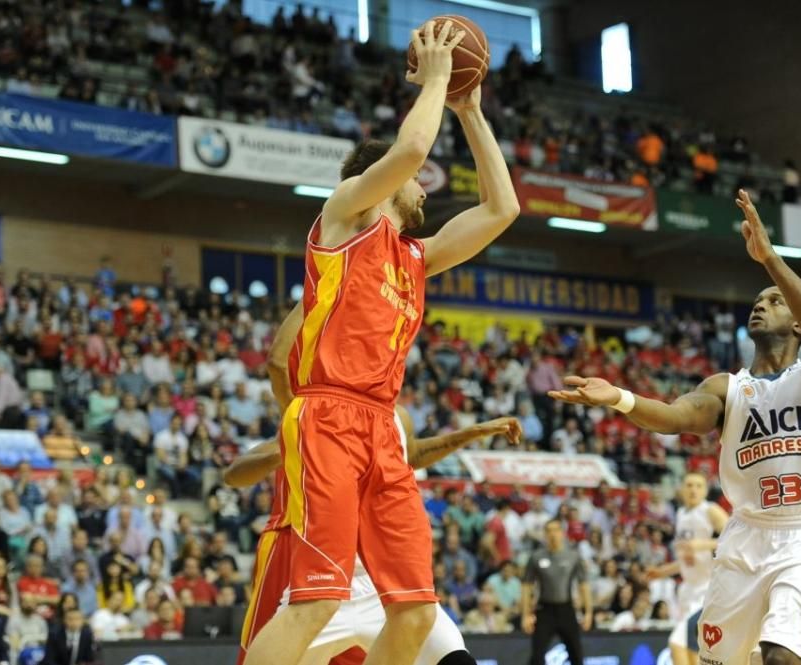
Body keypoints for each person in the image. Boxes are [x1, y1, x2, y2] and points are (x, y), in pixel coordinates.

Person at [244, 21, 519, 665]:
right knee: (314, 602)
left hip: (380, 427)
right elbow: (412, 148)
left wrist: (471, 111)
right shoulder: (342, 216)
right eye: (418, 180)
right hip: (328, 415)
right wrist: (438, 79)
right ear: (380, 178)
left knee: (417, 612)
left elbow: (500, 209)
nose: (426, 186)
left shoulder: (415, 258)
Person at [549, 190, 801, 665]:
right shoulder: (728, 388)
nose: (760, 304)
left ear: (799, 324)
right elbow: (676, 417)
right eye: (757, 300)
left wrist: (770, 260)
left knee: (782, 656)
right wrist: (622, 398)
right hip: (745, 537)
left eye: (774, 301)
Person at [234, 306, 520, 665]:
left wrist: (473, 432)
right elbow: (278, 362)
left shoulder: (393, 414)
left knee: (456, 659)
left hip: (381, 581)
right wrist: (323, 288)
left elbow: (411, 454)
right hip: (325, 579)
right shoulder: (316, 406)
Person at [646, 473, 728, 665]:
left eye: (699, 486)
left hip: (709, 589)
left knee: (678, 643)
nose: (693, 490)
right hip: (688, 592)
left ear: (705, 490)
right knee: (694, 650)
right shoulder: (681, 514)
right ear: (681, 489)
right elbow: (687, 559)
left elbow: (738, 538)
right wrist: (663, 571)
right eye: (689, 485)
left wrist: (705, 544)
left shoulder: (710, 510)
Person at [521, 519, 592, 665]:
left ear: (562, 533)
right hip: (544, 610)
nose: (553, 534)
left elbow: (583, 585)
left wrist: (588, 612)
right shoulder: (536, 557)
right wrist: (526, 614)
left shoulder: (573, 556)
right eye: (549, 530)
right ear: (545, 534)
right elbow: (526, 586)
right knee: (537, 656)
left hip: (566, 609)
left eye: (556, 530)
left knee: (576, 655)